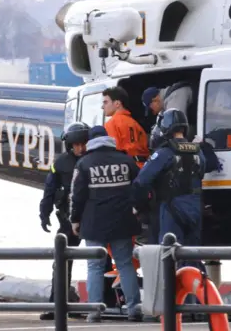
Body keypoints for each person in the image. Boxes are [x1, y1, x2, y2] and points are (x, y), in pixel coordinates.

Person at [69, 126, 143, 323]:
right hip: (122, 221)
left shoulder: (84, 163)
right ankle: (134, 308)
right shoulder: (126, 160)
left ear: (90, 142)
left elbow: (77, 196)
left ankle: (94, 310)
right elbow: (139, 187)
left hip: (94, 223)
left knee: (94, 266)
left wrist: (75, 220)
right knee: (125, 264)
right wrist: (137, 210)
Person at [133, 108, 206, 253]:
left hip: (171, 208)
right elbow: (201, 173)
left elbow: (141, 181)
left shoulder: (164, 153)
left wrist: (139, 206)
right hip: (195, 208)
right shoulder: (198, 151)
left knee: (168, 256)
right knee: (192, 254)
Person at [37, 121, 89, 321]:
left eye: (83, 143)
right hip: (68, 220)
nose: (80, 148)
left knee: (101, 262)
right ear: (70, 145)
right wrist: (44, 213)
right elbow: (49, 190)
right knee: (61, 262)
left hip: (93, 218)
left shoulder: (93, 160)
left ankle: (104, 303)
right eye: (76, 144)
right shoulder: (59, 164)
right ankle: (57, 305)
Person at [102, 86, 150, 168]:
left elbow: (112, 152)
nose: (102, 106)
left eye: (105, 102)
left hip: (125, 168)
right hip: (144, 167)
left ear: (117, 103)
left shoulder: (110, 124)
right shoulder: (135, 123)